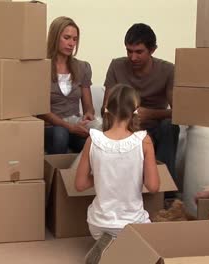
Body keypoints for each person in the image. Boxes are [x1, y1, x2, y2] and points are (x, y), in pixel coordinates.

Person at [75, 84, 160, 264]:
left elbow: (80, 184)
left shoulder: (93, 139)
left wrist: (101, 175)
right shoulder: (143, 140)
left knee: (119, 244)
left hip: (98, 224)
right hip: (132, 225)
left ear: (107, 109)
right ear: (136, 111)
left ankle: (109, 246)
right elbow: (153, 186)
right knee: (149, 247)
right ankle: (124, 250)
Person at [102, 23, 179, 185]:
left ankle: (166, 188)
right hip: (124, 126)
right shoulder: (116, 66)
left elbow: (178, 112)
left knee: (170, 126)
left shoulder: (168, 70)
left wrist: (150, 113)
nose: (133, 57)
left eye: (139, 52)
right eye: (129, 51)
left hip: (155, 128)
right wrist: (125, 117)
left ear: (152, 50)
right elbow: (106, 108)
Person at [38, 16, 96, 154]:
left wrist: (88, 115)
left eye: (75, 39)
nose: (71, 43)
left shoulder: (82, 67)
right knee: (61, 134)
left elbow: (89, 107)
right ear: (55, 37)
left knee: (95, 140)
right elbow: (41, 111)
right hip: (50, 128)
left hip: (75, 125)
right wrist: (69, 127)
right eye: (67, 37)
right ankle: (56, 175)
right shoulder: (41, 67)